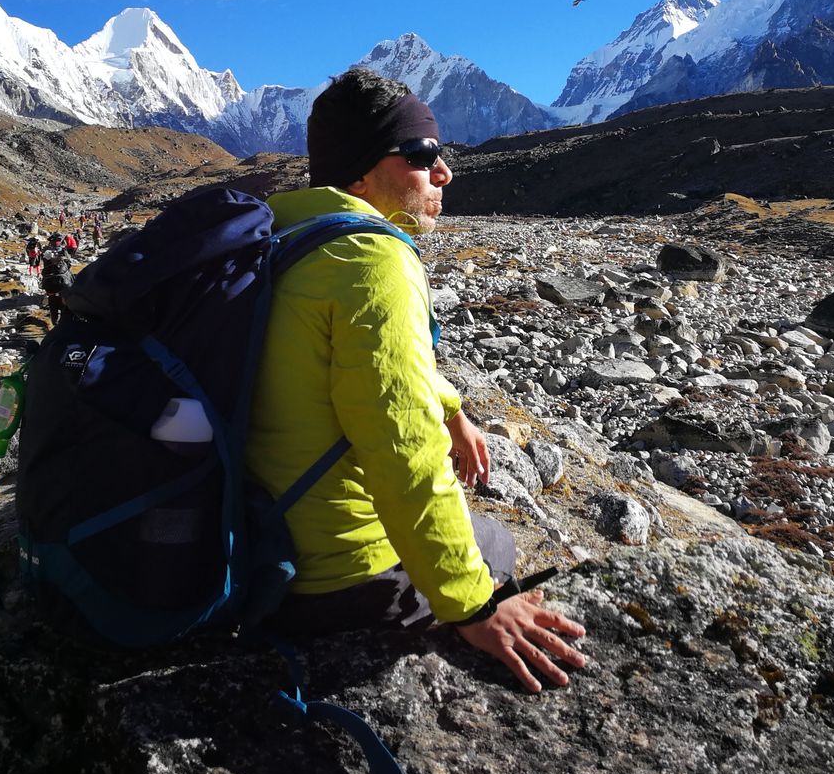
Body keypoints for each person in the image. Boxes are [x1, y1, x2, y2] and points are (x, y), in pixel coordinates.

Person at [249, 67, 585, 693]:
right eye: (423, 154)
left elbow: (354, 362)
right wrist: (475, 606)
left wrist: (451, 406)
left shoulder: (284, 231)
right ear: (363, 171)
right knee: (496, 545)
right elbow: (401, 447)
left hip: (253, 526)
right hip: (330, 575)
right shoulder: (373, 260)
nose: (444, 173)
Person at [40, 233, 73, 322]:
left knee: (52, 303)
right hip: (63, 282)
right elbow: (69, 263)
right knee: (65, 301)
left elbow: (43, 262)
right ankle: (64, 320)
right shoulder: (63, 250)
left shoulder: (46, 251)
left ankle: (54, 321)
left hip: (50, 281)